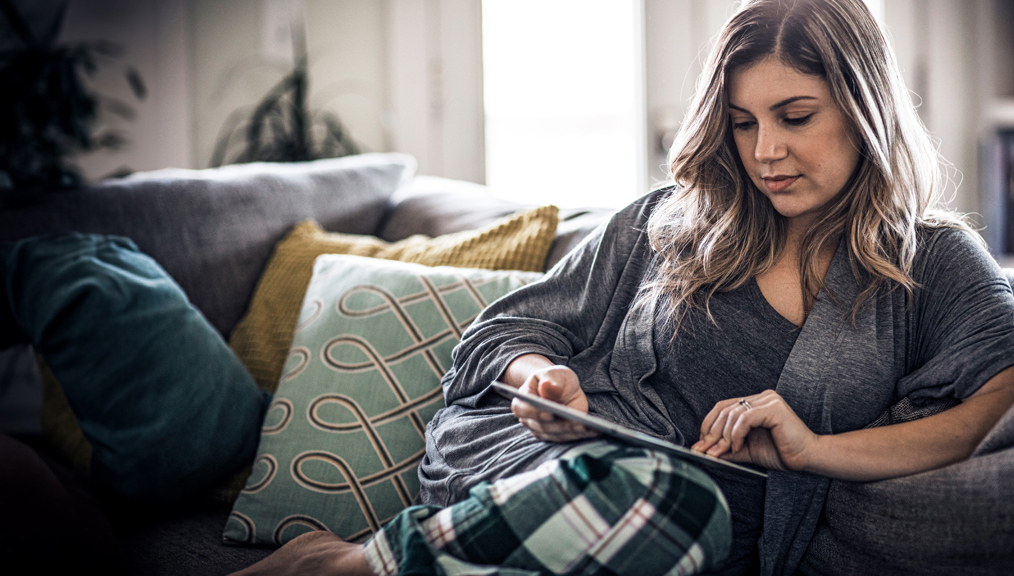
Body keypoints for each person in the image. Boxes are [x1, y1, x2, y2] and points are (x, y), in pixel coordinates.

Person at [231, 0, 1014, 575]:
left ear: (864, 108)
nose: (766, 151)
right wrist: (541, 380)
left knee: (678, 510)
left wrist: (816, 449)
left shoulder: (931, 262)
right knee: (663, 495)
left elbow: (999, 398)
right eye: (743, 123)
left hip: (691, 541)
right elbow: (497, 336)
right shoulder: (668, 223)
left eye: (795, 116)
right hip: (555, 473)